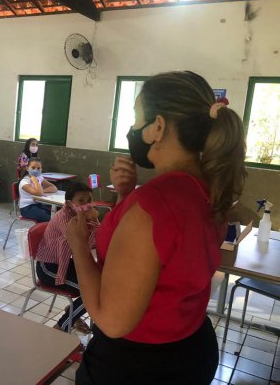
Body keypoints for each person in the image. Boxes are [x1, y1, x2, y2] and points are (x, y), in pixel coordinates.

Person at [66, 71, 246, 385]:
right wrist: (126, 196)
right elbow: (167, 259)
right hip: (191, 348)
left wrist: (79, 247)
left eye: (138, 117)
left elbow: (113, 322)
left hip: (138, 365)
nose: (134, 128)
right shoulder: (207, 189)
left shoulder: (152, 205)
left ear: (158, 127)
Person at [36, 182, 99, 333]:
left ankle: (71, 312)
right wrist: (90, 221)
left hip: (65, 263)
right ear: (70, 204)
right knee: (91, 292)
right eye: (81, 201)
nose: (87, 205)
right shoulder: (64, 218)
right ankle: (61, 327)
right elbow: (80, 243)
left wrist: (93, 221)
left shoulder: (81, 216)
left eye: (89, 200)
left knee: (97, 285)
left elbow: (97, 239)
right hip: (48, 268)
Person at [18, 158, 57, 222]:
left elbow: (54, 188)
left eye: (38, 168)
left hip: (38, 204)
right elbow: (39, 193)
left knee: (56, 215)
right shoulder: (24, 182)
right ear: (27, 168)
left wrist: (42, 191)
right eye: (33, 168)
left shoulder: (40, 177)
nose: (36, 170)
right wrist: (34, 180)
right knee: (51, 219)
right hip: (27, 208)